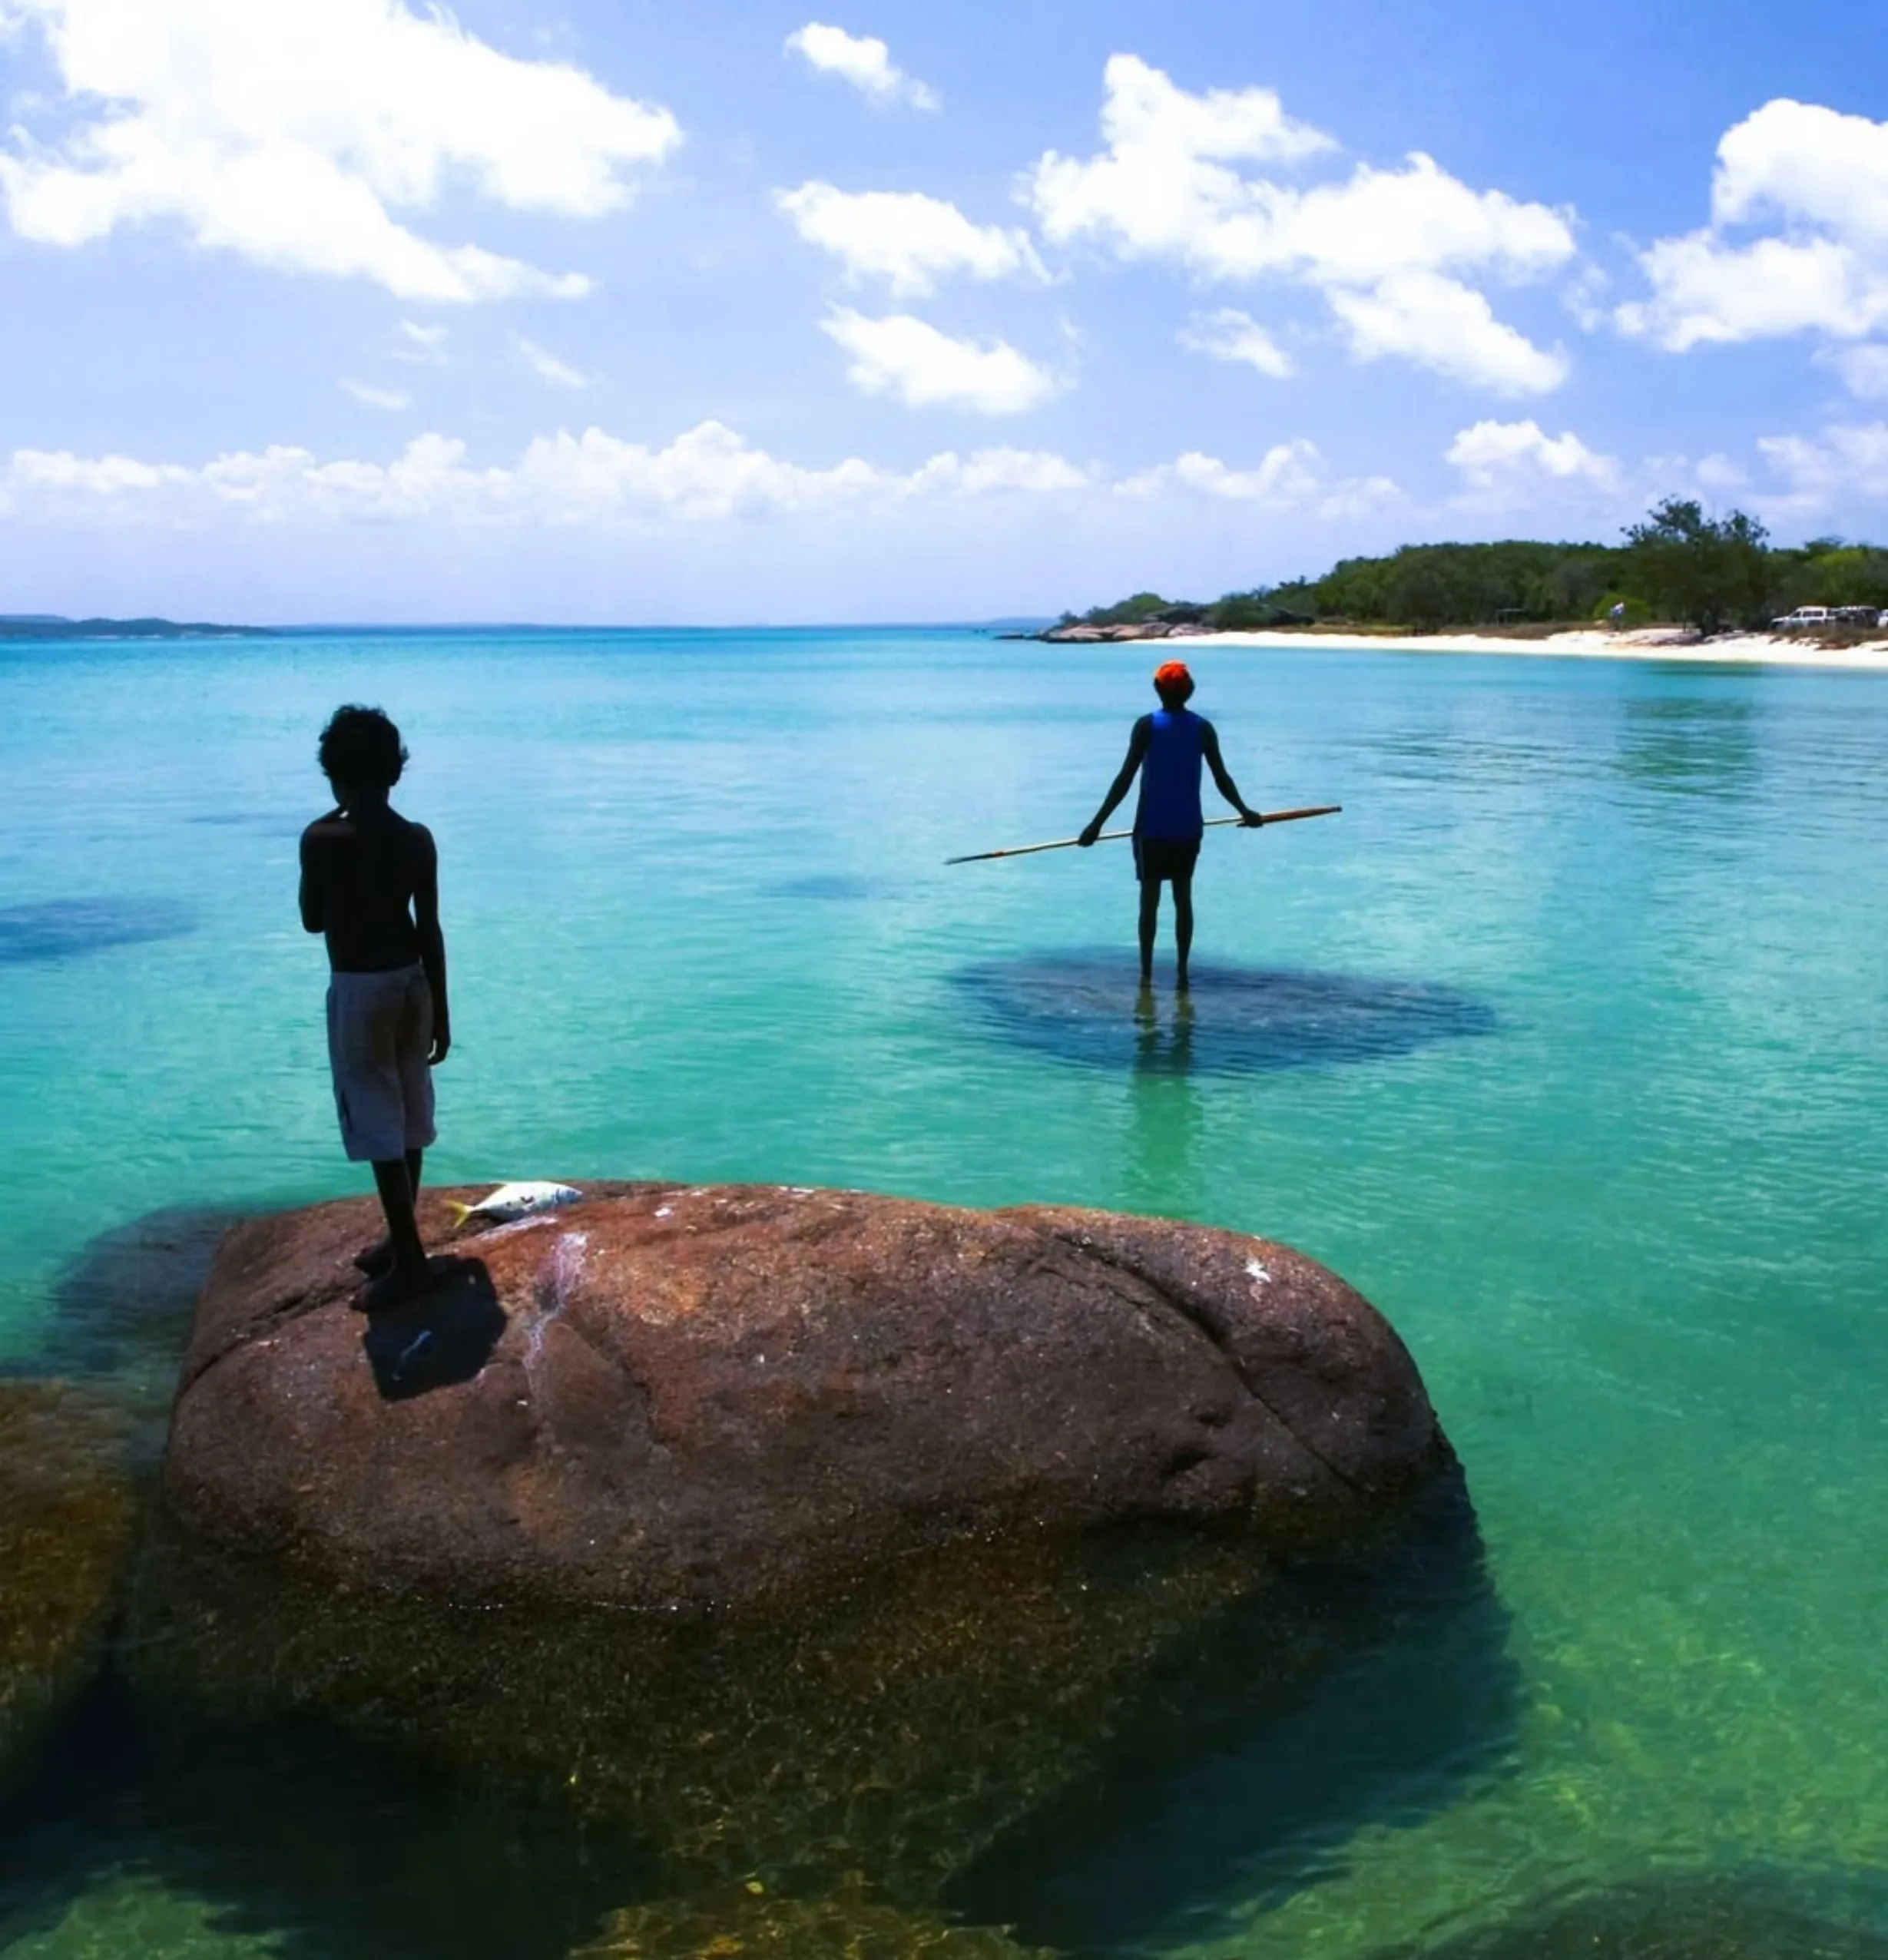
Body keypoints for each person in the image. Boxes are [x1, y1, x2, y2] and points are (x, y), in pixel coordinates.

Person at [299, 705, 450, 1309]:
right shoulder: (416, 839)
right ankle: (400, 1238)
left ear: (333, 775)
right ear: (396, 773)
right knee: (409, 1110)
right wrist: (443, 1007)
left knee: (376, 1117)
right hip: (413, 984)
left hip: (360, 990)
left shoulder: (322, 838)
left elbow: (313, 921)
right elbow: (430, 927)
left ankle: (410, 1262)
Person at [1078, 661, 1262, 990]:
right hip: (1188, 828)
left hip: (1151, 829)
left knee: (1149, 901)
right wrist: (1245, 811)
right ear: (1189, 690)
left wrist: (1096, 825)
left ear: (1158, 689)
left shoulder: (1147, 726)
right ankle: (1182, 974)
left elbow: (1125, 779)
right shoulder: (1203, 728)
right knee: (1183, 898)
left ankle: (1146, 977)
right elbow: (1222, 779)